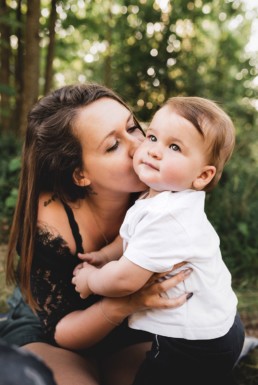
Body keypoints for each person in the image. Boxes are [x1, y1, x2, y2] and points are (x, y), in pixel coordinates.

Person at [4, 83, 193, 385]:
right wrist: (125, 302)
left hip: (134, 322)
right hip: (55, 327)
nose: (139, 147)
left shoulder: (165, 189)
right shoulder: (50, 220)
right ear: (80, 174)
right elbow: (62, 332)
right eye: (112, 145)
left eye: (133, 128)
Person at [72, 96, 245, 385]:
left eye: (174, 147)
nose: (154, 151)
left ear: (202, 175)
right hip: (217, 325)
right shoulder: (160, 195)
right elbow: (135, 239)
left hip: (195, 344)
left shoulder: (169, 218)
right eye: (152, 136)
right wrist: (106, 254)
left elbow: (125, 281)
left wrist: (91, 279)